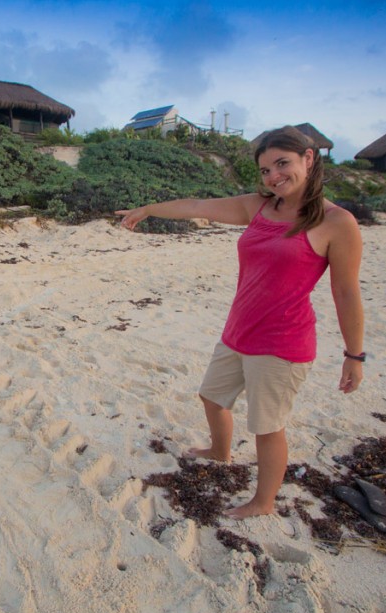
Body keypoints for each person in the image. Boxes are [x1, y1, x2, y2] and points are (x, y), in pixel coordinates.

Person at [115, 126, 364, 520]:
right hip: (238, 332)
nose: (273, 176)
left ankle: (263, 503)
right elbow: (198, 205)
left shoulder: (337, 222)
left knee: (267, 427)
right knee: (212, 397)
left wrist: (355, 354)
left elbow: (346, 292)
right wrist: (148, 210)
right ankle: (220, 451)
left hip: (282, 343)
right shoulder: (259, 206)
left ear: (309, 159)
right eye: (265, 170)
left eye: (282, 164)